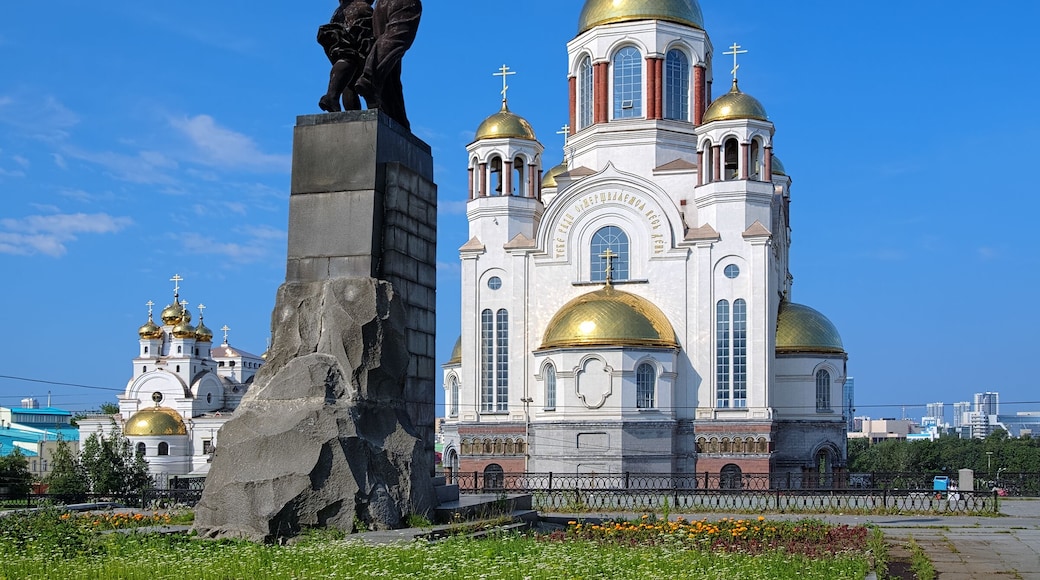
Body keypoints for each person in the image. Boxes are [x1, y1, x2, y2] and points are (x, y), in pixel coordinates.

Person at [353, 0, 422, 129]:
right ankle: (369, 78)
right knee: (395, 39)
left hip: (382, 5)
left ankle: (396, 117)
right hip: (400, 3)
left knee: (391, 67)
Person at [317, 0, 375, 113]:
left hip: (341, 11)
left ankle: (348, 110)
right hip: (358, 9)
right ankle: (332, 97)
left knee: (349, 78)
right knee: (353, 56)